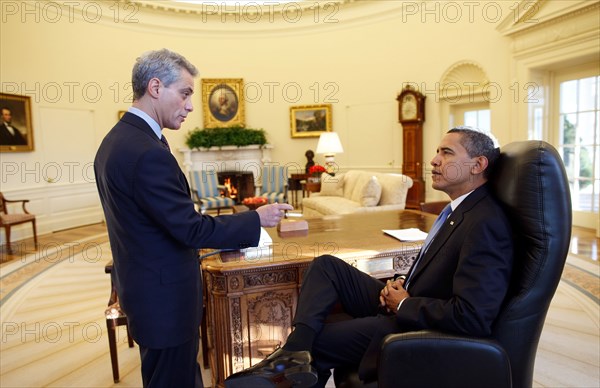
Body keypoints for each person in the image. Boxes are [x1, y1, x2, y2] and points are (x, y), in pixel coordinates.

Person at [224, 127, 514, 388]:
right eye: (437, 151)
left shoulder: (485, 223)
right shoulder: (457, 211)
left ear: (478, 164)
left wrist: (404, 304)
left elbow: (474, 317)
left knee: (320, 340)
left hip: (418, 327)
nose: (434, 160)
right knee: (326, 266)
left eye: (446, 153)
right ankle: (293, 353)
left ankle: (291, 360)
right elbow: (438, 272)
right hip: (407, 299)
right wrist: (400, 283)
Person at [94, 49, 292, 388]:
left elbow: (165, 220)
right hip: (164, 301)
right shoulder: (144, 152)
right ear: (155, 87)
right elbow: (190, 228)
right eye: (185, 93)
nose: (189, 105)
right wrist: (255, 219)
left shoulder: (117, 141)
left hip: (145, 292)